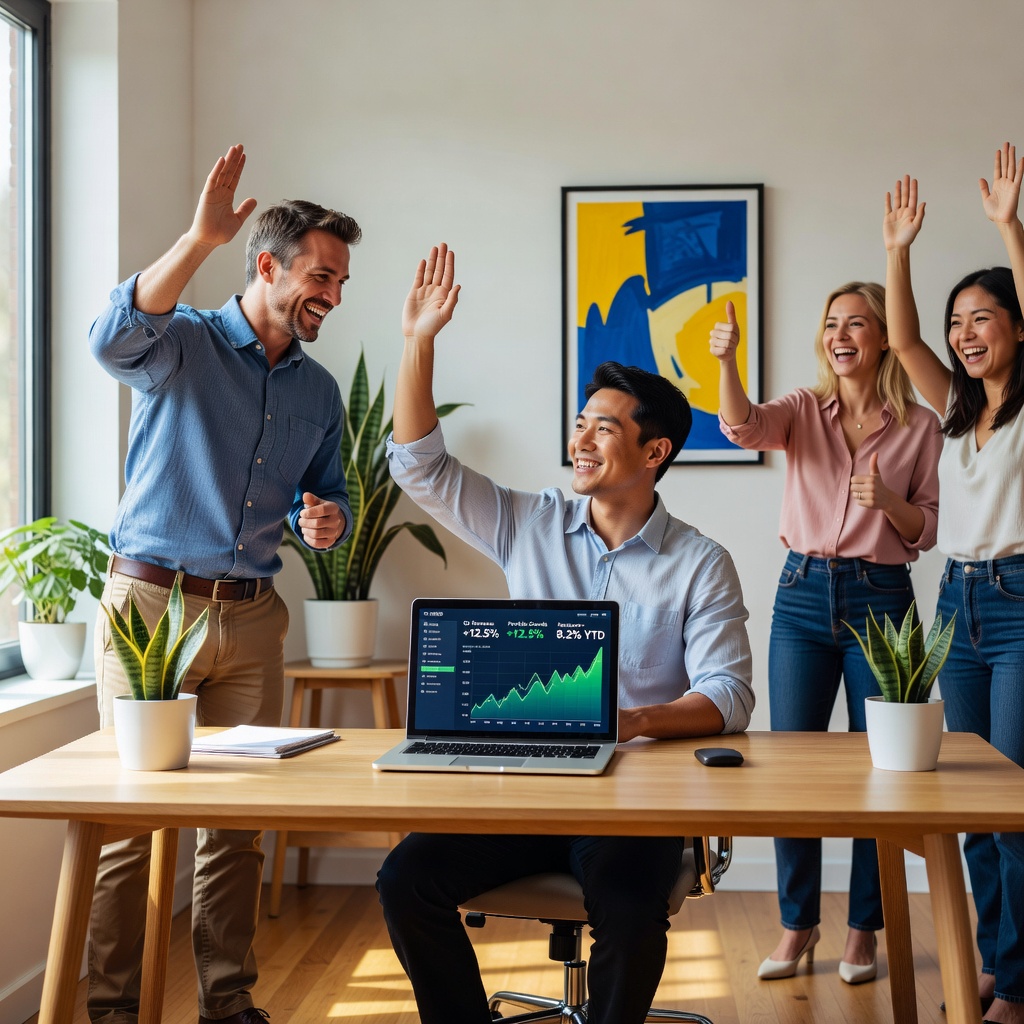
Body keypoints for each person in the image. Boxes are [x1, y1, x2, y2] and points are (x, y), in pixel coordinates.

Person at [375, 244, 755, 1024]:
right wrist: (419, 342)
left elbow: (729, 693)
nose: (580, 440)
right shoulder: (527, 523)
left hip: (631, 800)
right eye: (580, 424)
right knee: (404, 878)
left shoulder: (701, 563)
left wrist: (633, 723)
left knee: (627, 905)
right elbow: (420, 468)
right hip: (520, 787)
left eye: (604, 428)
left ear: (655, 452)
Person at [87, 144, 357, 1024]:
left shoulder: (320, 392)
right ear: (268, 265)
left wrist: (330, 521)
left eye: (343, 281)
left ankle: (227, 1003)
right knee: (133, 826)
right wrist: (200, 238)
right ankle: (112, 1011)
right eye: (321, 275)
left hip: (251, 622)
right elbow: (109, 337)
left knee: (235, 829)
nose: (334, 294)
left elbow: (333, 492)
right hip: (151, 614)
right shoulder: (184, 344)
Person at [711, 284, 941, 983]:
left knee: (883, 768)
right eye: (832, 324)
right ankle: (797, 924)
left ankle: (864, 929)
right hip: (802, 594)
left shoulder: (921, 425)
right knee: (793, 766)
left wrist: (891, 502)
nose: (842, 334)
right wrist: (727, 363)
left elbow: (925, 529)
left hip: (882, 598)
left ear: (883, 338)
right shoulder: (803, 410)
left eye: (858, 323)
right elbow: (743, 426)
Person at [883, 145, 1024, 1024]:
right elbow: (902, 340)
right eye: (959, 322)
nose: (967, 334)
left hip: (1018, 606)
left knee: (1013, 803)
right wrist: (896, 248)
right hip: (955, 605)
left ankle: (1017, 980)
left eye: (984, 318)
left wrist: (1009, 227)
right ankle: (997, 958)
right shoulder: (960, 413)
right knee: (971, 802)